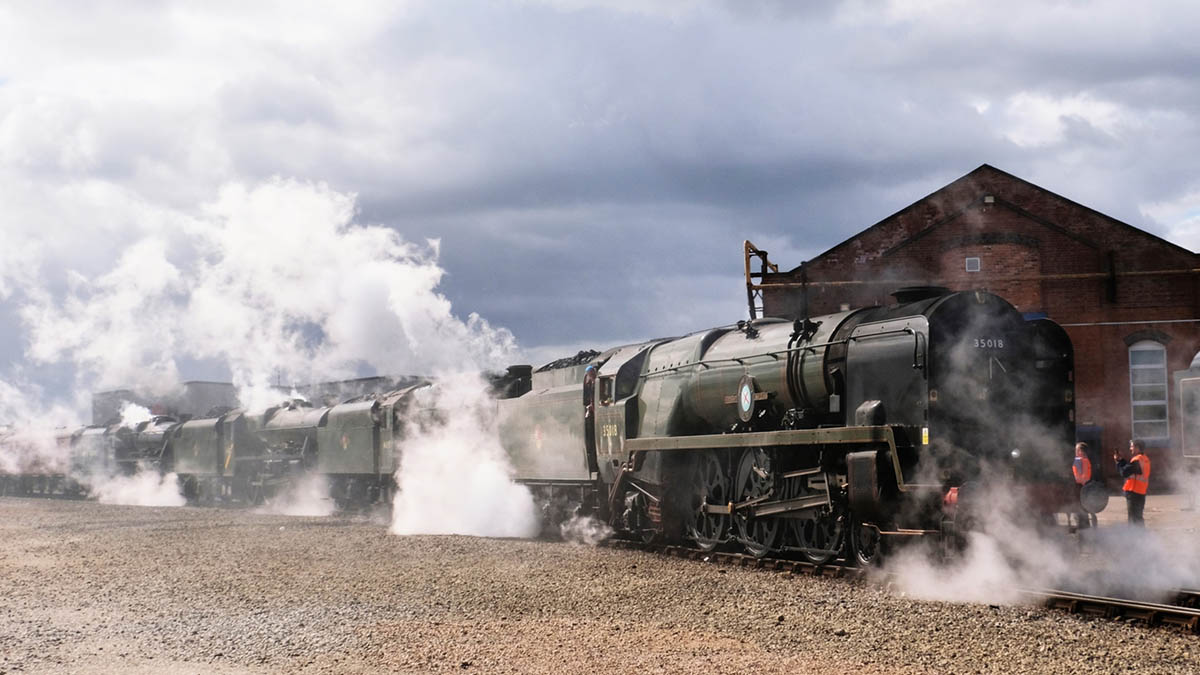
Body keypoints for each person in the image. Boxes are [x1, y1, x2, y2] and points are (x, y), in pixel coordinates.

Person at [1113, 439, 1151, 526]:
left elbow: (1124, 472)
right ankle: (1141, 537)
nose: (1130, 448)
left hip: (1134, 493)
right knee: (1138, 518)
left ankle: (1135, 538)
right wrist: (1121, 460)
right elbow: (1130, 468)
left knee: (1133, 520)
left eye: (1132, 446)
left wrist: (1118, 462)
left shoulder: (1137, 460)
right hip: (1140, 492)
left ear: (1137, 448)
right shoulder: (1144, 459)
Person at [1072, 442, 1097, 528]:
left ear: (1080, 451)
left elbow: (1076, 477)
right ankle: (1087, 534)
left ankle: (1082, 536)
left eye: (1076, 450)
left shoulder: (1078, 461)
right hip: (1085, 489)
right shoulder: (1087, 461)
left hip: (1079, 489)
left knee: (1080, 514)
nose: (1075, 452)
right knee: (1084, 513)